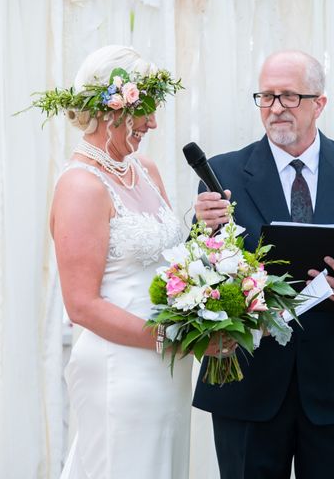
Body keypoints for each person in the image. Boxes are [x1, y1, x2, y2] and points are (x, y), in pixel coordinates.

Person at [192, 50, 334, 479]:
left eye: (289, 97)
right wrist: (200, 228)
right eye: (266, 97)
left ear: (320, 103)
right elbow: (198, 272)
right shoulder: (222, 174)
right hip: (248, 388)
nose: (275, 108)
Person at [43, 45, 225, 478]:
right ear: (111, 108)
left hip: (166, 369)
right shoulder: (81, 186)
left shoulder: (144, 168)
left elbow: (166, 265)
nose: (153, 123)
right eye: (145, 110)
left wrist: (203, 229)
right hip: (119, 369)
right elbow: (81, 305)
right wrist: (175, 340)